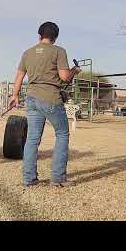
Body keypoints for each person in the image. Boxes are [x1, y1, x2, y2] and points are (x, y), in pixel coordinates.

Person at [8, 22, 81, 187]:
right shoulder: (59, 51)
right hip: (50, 98)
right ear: (55, 37)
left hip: (32, 99)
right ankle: (58, 178)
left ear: (39, 35)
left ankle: (29, 179)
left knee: (33, 139)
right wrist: (74, 71)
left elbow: (19, 76)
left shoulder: (27, 53)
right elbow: (64, 77)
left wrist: (14, 95)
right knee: (62, 134)